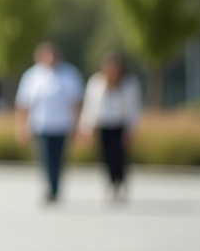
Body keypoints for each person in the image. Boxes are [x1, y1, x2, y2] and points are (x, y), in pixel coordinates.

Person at [16, 42, 84, 204]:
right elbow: (24, 104)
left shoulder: (70, 74)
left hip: (62, 124)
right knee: (45, 159)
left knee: (59, 159)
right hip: (41, 124)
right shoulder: (32, 76)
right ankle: (49, 187)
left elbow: (76, 103)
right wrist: (21, 126)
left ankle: (55, 187)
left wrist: (76, 125)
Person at [78, 53, 142, 202]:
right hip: (103, 125)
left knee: (119, 157)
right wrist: (86, 127)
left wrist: (131, 129)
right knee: (105, 157)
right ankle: (111, 184)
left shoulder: (128, 83)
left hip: (120, 126)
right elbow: (90, 106)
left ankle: (119, 183)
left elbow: (134, 108)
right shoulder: (96, 82)